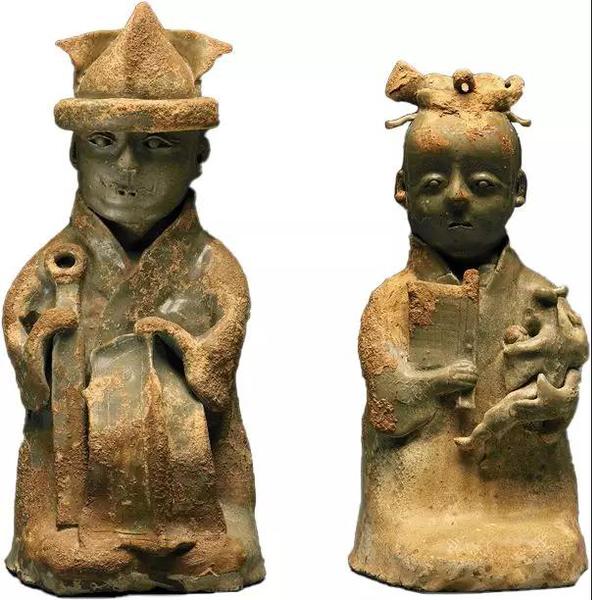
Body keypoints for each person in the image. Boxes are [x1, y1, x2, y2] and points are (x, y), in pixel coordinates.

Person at [3, 4, 264, 594]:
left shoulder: (213, 267)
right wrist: (41, 338)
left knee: (219, 553)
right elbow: (22, 347)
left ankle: (197, 526)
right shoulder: (54, 264)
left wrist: (188, 349)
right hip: (70, 477)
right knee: (68, 556)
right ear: (76, 153)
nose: (126, 165)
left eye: (156, 144)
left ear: (198, 155)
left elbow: (217, 380)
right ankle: (66, 527)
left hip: (194, 471)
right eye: (103, 141)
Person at [350, 62, 589, 591]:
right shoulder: (391, 300)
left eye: (482, 184)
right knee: (419, 548)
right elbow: (389, 410)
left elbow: (557, 406)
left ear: (517, 189)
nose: (458, 197)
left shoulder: (539, 296)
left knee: (548, 543)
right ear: (403, 189)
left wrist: (556, 401)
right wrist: (435, 382)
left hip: (525, 493)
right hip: (414, 498)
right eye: (435, 182)